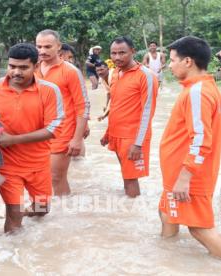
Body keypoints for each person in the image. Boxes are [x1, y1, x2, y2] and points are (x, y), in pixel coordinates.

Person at [0, 43, 64, 233]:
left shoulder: (50, 90)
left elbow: (53, 129)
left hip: (38, 162)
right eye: (12, 66)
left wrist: (12, 140)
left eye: (23, 67)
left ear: (36, 67)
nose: (16, 72)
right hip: (7, 163)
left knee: (42, 208)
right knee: (13, 214)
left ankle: (27, 214)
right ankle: (12, 256)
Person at [158, 36, 221, 257]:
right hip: (179, 172)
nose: (169, 65)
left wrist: (185, 177)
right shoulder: (200, 88)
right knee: (165, 212)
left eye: (173, 60)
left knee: (199, 229)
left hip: (188, 175)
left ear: (188, 62)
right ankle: (166, 258)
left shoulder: (198, 92)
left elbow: (201, 138)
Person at [100, 36, 158, 198]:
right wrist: (108, 133)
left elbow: (148, 111)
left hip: (133, 138)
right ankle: (129, 211)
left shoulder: (146, 75)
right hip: (117, 134)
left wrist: (138, 143)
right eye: (113, 53)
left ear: (133, 51)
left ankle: (134, 209)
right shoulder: (116, 73)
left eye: (122, 53)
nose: (117, 57)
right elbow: (116, 106)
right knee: (126, 176)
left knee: (131, 179)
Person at [35, 29, 89, 196]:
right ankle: (45, 217)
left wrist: (77, 139)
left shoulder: (70, 71)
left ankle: (64, 216)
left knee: (56, 177)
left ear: (58, 46)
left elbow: (83, 105)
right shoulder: (32, 68)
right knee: (38, 178)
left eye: (47, 46)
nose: (42, 51)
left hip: (62, 133)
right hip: (36, 133)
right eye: (39, 46)